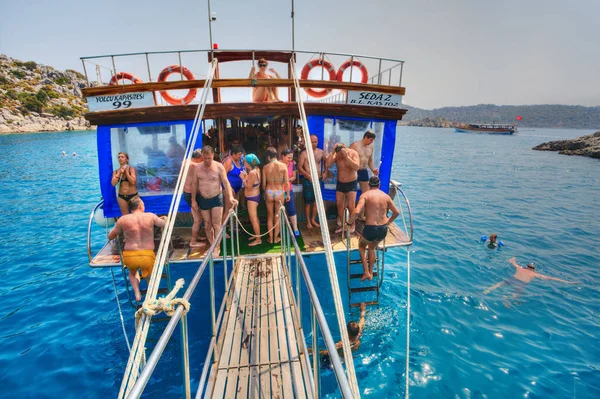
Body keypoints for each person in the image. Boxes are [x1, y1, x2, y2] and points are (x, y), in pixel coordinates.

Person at [107, 198, 167, 302]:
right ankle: (151, 295)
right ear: (140, 206)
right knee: (149, 274)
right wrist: (165, 219)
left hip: (130, 256)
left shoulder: (123, 219)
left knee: (133, 272)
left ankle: (137, 294)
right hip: (147, 255)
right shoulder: (150, 216)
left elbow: (111, 236)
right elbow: (164, 224)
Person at [347, 176, 400, 281]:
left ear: (368, 185)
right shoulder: (386, 196)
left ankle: (366, 272)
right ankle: (371, 272)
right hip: (383, 229)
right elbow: (396, 212)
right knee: (372, 247)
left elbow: (357, 212)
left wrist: (348, 223)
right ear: (379, 185)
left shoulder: (365, 195)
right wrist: (389, 222)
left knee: (362, 246)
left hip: (371, 229)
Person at [190, 146, 238, 257]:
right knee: (207, 225)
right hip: (203, 198)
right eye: (205, 158)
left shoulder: (219, 167)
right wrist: (193, 200)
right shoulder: (197, 168)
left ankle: (217, 247)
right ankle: (212, 245)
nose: (207, 161)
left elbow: (226, 182)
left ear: (212, 156)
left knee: (217, 224)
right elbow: (194, 184)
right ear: (202, 156)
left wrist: (230, 196)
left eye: (209, 158)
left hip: (216, 198)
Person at [484, 257, 577, 305]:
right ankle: (507, 298)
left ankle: (487, 290)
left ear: (526, 267)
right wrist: (568, 282)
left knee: (499, 284)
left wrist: (513, 259)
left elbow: (512, 262)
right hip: (521, 283)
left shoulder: (520, 268)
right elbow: (552, 278)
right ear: (534, 269)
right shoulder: (535, 274)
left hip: (513, 279)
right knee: (517, 294)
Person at [325, 143, 361, 233]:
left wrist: (347, 157)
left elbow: (356, 167)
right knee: (339, 205)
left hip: (351, 183)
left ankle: (352, 225)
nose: (340, 154)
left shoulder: (353, 153)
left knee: (351, 206)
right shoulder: (337, 155)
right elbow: (327, 164)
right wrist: (333, 151)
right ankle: (344, 225)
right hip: (340, 183)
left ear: (345, 148)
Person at [297, 134, 326, 229]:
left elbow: (327, 162)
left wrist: (325, 172)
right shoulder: (304, 154)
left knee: (316, 202)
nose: (314, 143)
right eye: (312, 142)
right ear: (308, 142)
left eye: (315, 142)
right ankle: (308, 221)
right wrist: (308, 176)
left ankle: (313, 219)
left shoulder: (321, 152)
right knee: (308, 202)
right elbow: (299, 167)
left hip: (318, 179)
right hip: (308, 181)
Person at [262, 147, 288, 244]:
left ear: (268, 157)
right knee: (277, 215)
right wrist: (288, 194)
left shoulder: (265, 167)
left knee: (270, 216)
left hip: (269, 191)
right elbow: (286, 182)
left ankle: (270, 238)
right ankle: (276, 238)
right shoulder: (283, 166)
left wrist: (265, 192)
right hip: (279, 192)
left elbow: (264, 184)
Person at [350, 131, 378, 219]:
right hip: (354, 171)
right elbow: (347, 158)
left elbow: (370, 160)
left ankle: (362, 215)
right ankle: (351, 215)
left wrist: (373, 169)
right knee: (351, 194)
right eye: (370, 140)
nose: (371, 142)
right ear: (365, 137)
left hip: (364, 171)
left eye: (372, 141)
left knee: (365, 194)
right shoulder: (355, 145)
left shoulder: (371, 147)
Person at [183, 149, 205, 248]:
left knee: (198, 218)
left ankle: (197, 236)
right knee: (198, 219)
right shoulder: (194, 165)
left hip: (188, 193)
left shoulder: (185, 161)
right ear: (199, 158)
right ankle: (193, 241)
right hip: (192, 194)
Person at [243, 153, 262, 247]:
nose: (244, 162)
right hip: (256, 196)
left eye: (245, 161)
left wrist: (243, 179)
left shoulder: (252, 173)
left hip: (252, 198)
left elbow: (249, 187)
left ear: (249, 162)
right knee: (255, 218)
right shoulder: (257, 169)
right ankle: (257, 235)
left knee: (253, 219)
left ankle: (258, 239)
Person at [111, 152, 138, 216]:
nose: (120, 158)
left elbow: (133, 182)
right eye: (119, 157)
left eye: (122, 157)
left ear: (127, 159)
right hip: (122, 197)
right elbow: (113, 184)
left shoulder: (131, 169)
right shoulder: (116, 171)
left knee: (136, 214)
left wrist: (126, 173)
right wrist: (119, 173)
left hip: (133, 195)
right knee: (125, 215)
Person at [281, 148, 300, 237]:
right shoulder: (278, 164)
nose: (290, 159)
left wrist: (289, 179)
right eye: (288, 157)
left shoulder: (292, 164)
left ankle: (295, 228)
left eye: (291, 157)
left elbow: (294, 176)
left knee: (291, 209)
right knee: (278, 210)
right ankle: (278, 229)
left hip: (289, 189)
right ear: (283, 156)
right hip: (279, 191)